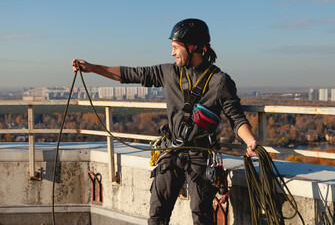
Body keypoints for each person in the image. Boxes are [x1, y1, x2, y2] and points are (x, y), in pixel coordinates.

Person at [72, 18, 258, 225]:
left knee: (201, 215)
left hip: (200, 154)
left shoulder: (219, 81)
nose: (172, 53)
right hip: (172, 150)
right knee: (157, 211)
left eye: (176, 48)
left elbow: (236, 118)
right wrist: (91, 68)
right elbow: (130, 74)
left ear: (193, 47)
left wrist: (250, 141)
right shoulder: (169, 73)